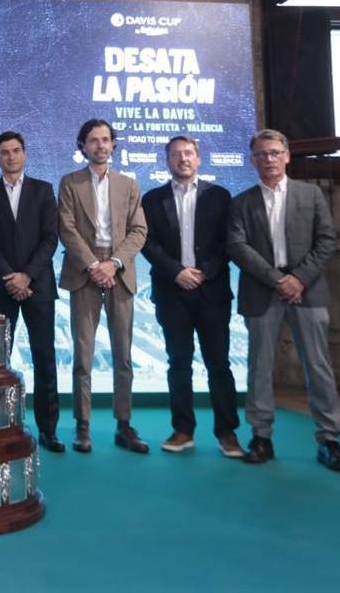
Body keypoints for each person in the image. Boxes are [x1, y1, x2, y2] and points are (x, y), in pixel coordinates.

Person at [226, 128, 340, 472]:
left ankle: (330, 440)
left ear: (286, 155)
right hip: (262, 290)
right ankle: (261, 437)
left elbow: (326, 240)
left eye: (274, 153)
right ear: (252, 160)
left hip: (307, 291)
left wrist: (298, 278)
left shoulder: (310, 195)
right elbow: (237, 247)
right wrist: (277, 279)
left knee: (318, 366)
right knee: (259, 368)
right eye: (261, 154)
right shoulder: (241, 202)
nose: (268, 159)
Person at [141, 135, 242, 458]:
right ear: (167, 160)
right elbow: (148, 243)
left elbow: (228, 242)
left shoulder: (220, 196)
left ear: (198, 159)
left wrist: (203, 272)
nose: (182, 159)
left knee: (219, 364)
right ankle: (183, 429)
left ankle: (227, 432)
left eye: (188, 153)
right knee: (178, 363)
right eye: (176, 154)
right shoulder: (152, 200)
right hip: (172, 292)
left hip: (212, 292)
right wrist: (177, 272)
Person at [58, 118, 149, 454]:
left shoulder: (129, 185)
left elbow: (139, 230)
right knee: (83, 355)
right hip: (85, 271)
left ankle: (124, 425)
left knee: (123, 356)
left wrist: (114, 263)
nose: (100, 145)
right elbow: (67, 229)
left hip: (120, 270)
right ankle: (82, 427)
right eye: (93, 140)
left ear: (113, 144)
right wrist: (95, 265)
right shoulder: (69, 182)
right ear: (83, 146)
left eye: (106, 139)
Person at [0, 131, 63, 452]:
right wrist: (11, 277)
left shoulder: (43, 190)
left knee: (45, 358)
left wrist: (27, 276)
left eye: (15, 151)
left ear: (24, 154)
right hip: (1, 288)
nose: (11, 157)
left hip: (38, 287)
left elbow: (50, 238)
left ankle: (49, 430)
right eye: (4, 152)